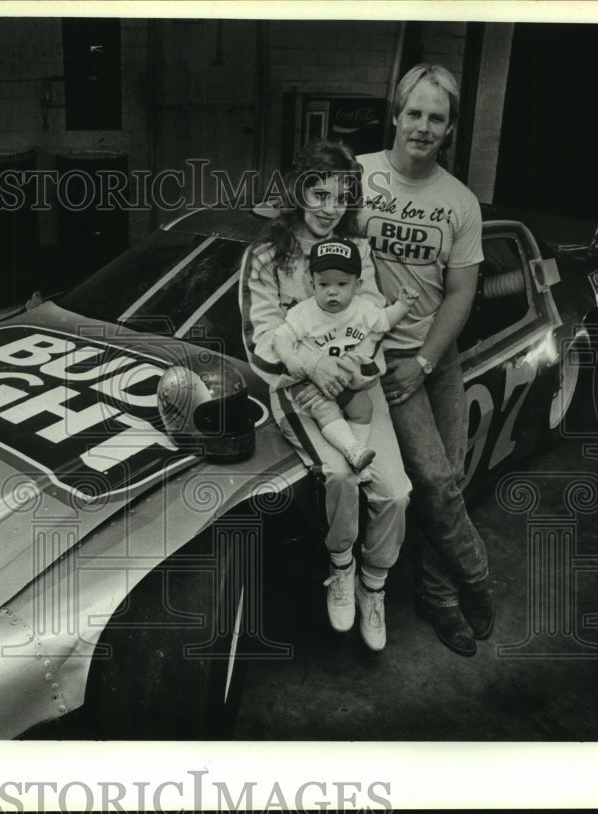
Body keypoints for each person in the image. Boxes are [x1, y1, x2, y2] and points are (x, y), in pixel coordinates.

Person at [240, 139, 412, 651]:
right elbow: (259, 342)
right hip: (298, 392)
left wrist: (360, 368)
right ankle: (340, 568)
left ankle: (372, 586)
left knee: (396, 491)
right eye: (318, 193)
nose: (329, 207)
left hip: (357, 387)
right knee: (341, 475)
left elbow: (376, 320)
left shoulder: (356, 249)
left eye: (340, 196)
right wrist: (314, 362)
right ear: (298, 192)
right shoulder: (266, 254)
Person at [355, 63, 495, 656]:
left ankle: (437, 594)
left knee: (448, 479)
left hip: (434, 352)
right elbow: (302, 230)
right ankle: (475, 581)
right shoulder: (356, 177)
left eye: (435, 118)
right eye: (414, 113)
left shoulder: (460, 202)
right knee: (435, 479)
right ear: (396, 114)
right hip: (377, 355)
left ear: (448, 130)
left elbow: (461, 291)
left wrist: (429, 361)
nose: (422, 126)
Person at [272, 238, 420, 476]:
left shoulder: (363, 309)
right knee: (325, 409)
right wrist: (291, 359)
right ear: (311, 285)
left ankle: (356, 457)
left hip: (345, 381)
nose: (332, 291)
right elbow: (281, 336)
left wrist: (403, 304)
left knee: (364, 408)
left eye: (342, 284)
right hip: (309, 381)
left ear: (357, 284)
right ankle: (352, 449)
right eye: (323, 284)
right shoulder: (304, 313)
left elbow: (385, 320)